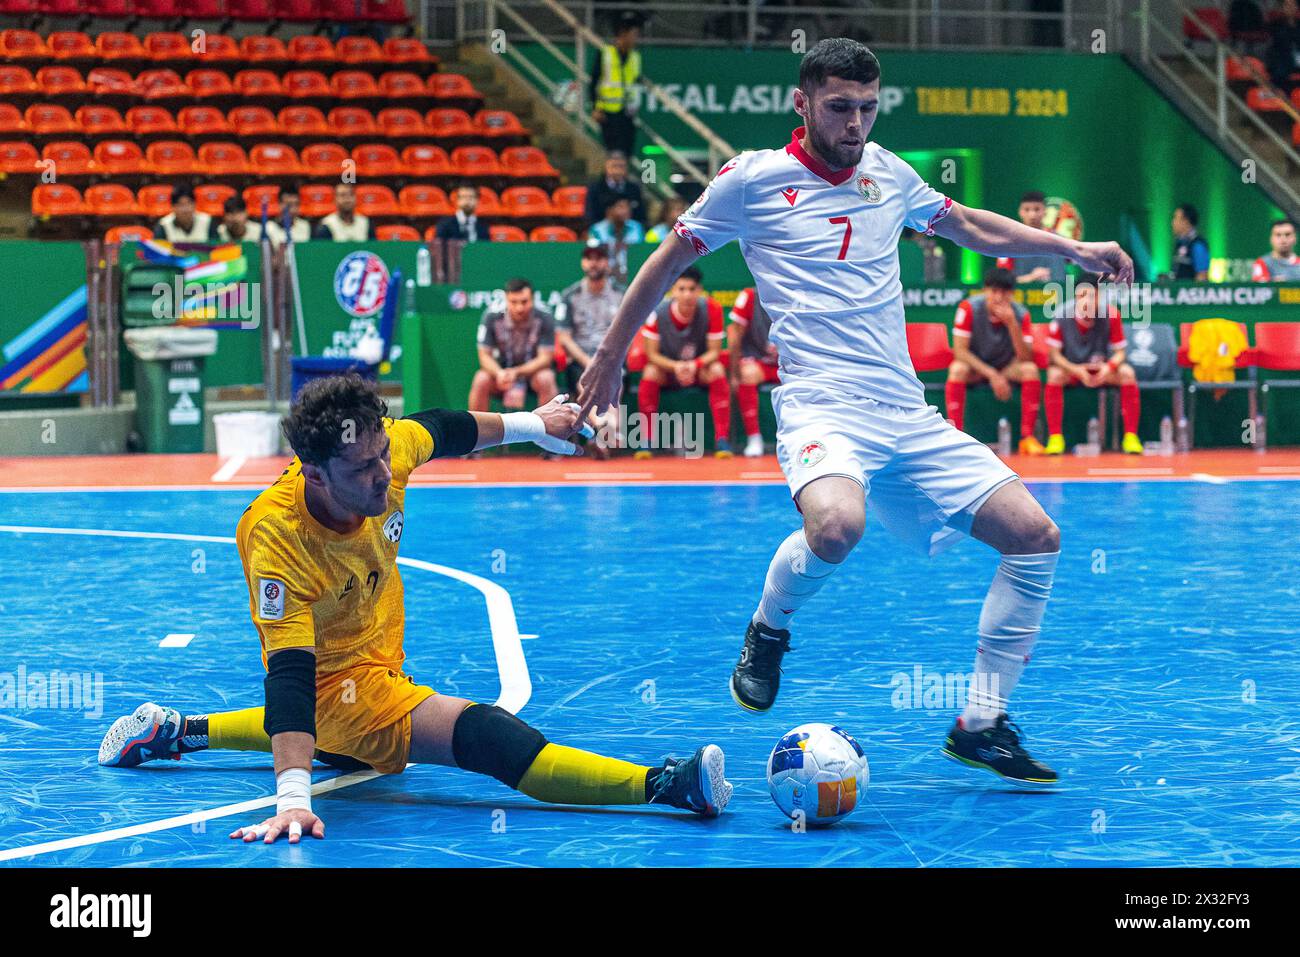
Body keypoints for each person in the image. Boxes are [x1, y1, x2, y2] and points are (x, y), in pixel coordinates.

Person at [575, 37, 1135, 786]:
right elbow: (666, 262)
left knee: (1035, 536)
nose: (856, 125)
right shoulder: (751, 179)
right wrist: (611, 356)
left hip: (906, 410)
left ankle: (980, 722)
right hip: (821, 405)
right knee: (837, 528)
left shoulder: (889, 174)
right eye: (841, 108)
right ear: (801, 104)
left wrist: (1072, 249)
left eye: (868, 108)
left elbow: (971, 224)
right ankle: (769, 627)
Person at [98, 376, 732, 845]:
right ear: (314, 475)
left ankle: (178, 730)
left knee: (352, 757)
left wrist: (535, 424)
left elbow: (444, 427)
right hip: (334, 681)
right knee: (482, 735)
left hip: (380, 651)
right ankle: (666, 785)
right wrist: (291, 797)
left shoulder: (379, 451)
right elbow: (290, 674)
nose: (384, 473)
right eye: (364, 466)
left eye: (383, 456)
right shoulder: (277, 538)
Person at [945, 268, 1045, 455]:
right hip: (977, 368)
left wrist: (1012, 324)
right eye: (994, 291)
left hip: (1006, 367)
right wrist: (991, 374)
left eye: (1004, 292)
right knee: (957, 369)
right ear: (985, 290)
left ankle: (1027, 438)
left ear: (1012, 294)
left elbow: (1025, 357)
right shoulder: (968, 308)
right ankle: (955, 435)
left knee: (1030, 370)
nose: (998, 297)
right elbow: (960, 352)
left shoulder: (1021, 314)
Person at [636, 266, 732, 458]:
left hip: (699, 368)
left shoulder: (712, 308)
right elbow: (652, 354)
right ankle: (646, 441)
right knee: (650, 372)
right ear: (673, 290)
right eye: (682, 289)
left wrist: (693, 366)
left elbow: (714, 352)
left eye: (692, 289)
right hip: (668, 369)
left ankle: (722, 440)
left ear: (699, 290)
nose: (687, 294)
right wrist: (676, 367)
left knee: (717, 369)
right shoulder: (657, 312)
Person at [1043, 275, 1142, 455]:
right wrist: (1076, 370)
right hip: (1072, 369)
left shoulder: (1111, 314)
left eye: (1093, 296)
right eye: (1083, 296)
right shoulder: (1061, 315)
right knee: (1054, 375)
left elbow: (1120, 352)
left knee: (1127, 373)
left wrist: (1109, 367)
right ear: (1076, 297)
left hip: (1101, 370)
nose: (1088, 301)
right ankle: (1055, 437)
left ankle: (1131, 436)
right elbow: (1054, 355)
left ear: (1099, 297)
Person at [555, 244, 625, 456]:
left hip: (613, 359)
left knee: (613, 379)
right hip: (582, 359)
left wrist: (610, 358)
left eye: (599, 258)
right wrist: (588, 361)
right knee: (587, 381)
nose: (594, 262)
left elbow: (628, 332)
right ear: (583, 263)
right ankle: (606, 427)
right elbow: (565, 338)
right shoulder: (570, 295)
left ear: (607, 262)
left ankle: (603, 430)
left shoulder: (622, 295)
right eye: (589, 258)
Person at [470, 278, 559, 418]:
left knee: (546, 378)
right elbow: (484, 355)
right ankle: (476, 434)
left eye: (524, 302)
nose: (519, 308)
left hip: (532, 374)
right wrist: (499, 373)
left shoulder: (545, 316)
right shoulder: (491, 315)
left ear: (533, 299)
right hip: (501, 374)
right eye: (513, 302)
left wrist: (516, 372)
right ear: (506, 299)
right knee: (481, 379)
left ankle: (548, 436)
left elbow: (545, 359)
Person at [728, 285, 780, 458]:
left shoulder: (796, 294)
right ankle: (754, 438)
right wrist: (734, 374)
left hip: (789, 363)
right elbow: (734, 336)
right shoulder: (749, 296)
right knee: (748, 374)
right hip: (760, 362)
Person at [589, 12, 643, 158]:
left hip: (627, 114)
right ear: (622, 34)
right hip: (608, 113)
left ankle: (623, 180)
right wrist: (595, 107)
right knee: (612, 152)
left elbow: (635, 85)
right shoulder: (605, 53)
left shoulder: (635, 57)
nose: (636, 39)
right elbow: (594, 81)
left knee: (627, 151)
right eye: (634, 34)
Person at [995, 190, 1068, 285]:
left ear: (1045, 211)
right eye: (1027, 209)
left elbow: (1068, 278)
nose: (1032, 215)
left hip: (1056, 296)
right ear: (1020, 212)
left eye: (1037, 209)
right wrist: (1031, 277)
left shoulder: (1060, 241)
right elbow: (1001, 281)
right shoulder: (1007, 242)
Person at [584, 151, 646, 227]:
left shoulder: (634, 188)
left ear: (626, 168)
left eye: (621, 166)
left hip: (630, 233)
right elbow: (590, 215)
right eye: (614, 166)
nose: (617, 171)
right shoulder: (595, 188)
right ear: (606, 167)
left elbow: (641, 216)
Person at [1169, 204, 1210, 281]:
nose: (1172, 223)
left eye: (1175, 218)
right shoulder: (1180, 243)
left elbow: (1202, 276)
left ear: (1186, 221)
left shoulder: (1198, 244)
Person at [1266, 0, 1300, 91]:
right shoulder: (1276, 24)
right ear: (1282, 8)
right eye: (1287, 6)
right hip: (1283, 59)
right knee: (1279, 68)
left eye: (1293, 5)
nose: (1290, 8)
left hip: (1298, 56)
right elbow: (1280, 43)